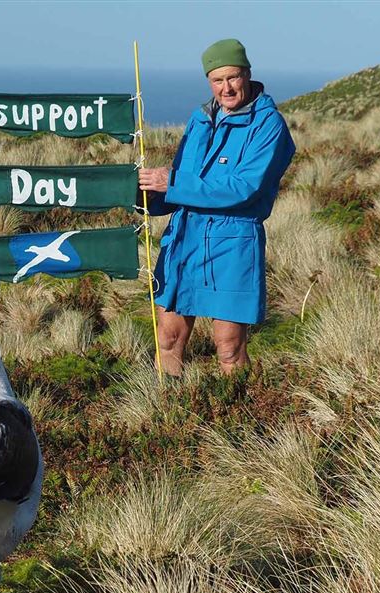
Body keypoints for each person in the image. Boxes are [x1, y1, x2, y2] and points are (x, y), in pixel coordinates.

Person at [137, 39, 295, 376]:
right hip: (183, 239)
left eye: (233, 78)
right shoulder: (201, 119)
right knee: (167, 338)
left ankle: (238, 417)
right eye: (217, 80)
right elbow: (183, 180)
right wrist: (149, 198)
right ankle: (167, 416)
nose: (226, 88)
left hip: (232, 242)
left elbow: (244, 188)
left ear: (248, 74)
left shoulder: (268, 125)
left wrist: (174, 183)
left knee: (229, 346)